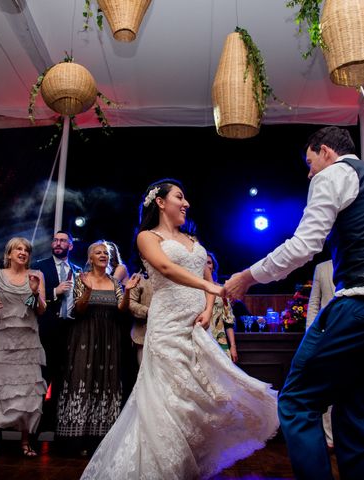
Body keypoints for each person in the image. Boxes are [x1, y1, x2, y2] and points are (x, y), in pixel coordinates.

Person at [224, 126, 364, 480]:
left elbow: (304, 246)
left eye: (310, 162)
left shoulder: (333, 175)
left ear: (326, 151)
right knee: (356, 413)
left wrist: (248, 276)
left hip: (362, 305)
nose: (309, 171)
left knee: (297, 402)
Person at [81, 179, 279, 479]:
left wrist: (209, 307)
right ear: (160, 202)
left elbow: (207, 273)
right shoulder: (147, 237)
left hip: (195, 326)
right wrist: (207, 285)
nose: (186, 204)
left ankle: (189, 463)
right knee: (168, 396)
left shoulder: (192, 240)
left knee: (202, 393)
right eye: (179, 197)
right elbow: (166, 268)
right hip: (166, 325)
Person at [56, 241, 140, 457]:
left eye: (106, 252)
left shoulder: (114, 281)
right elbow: (79, 308)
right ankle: (76, 440)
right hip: (84, 334)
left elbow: (122, 309)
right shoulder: (81, 279)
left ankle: (100, 441)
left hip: (108, 337)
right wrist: (89, 291)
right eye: (98, 252)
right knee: (81, 378)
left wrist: (128, 291)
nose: (103, 255)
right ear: (90, 258)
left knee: (106, 381)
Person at [0, 237, 47, 460]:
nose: (22, 252)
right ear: (8, 254)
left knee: (27, 391)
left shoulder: (36, 275)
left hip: (27, 343)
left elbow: (38, 310)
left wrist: (35, 293)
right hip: (1, 342)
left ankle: (26, 440)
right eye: (18, 249)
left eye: (26, 250)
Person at [31, 230, 82, 433]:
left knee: (64, 379)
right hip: (46, 328)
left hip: (70, 330)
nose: (58, 243)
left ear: (70, 246)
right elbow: (29, 300)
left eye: (63, 241)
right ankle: (35, 426)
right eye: (55, 240)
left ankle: (57, 425)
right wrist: (54, 292)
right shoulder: (38, 266)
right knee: (42, 377)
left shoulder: (77, 270)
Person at [306, 259, 335, 451]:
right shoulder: (322, 268)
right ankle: (329, 438)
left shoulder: (361, 261)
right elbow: (314, 303)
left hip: (355, 334)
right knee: (327, 391)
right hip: (327, 336)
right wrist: (311, 338)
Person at [205, 251, 238, 362]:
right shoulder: (190, 290)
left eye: (209, 262)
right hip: (199, 340)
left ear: (213, 267)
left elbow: (228, 321)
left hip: (219, 341)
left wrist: (233, 346)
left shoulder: (222, 291)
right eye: (202, 262)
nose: (206, 265)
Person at [128, 273, 153, 365]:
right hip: (144, 333)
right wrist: (149, 312)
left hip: (170, 333)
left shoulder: (172, 277)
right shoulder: (139, 278)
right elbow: (130, 302)